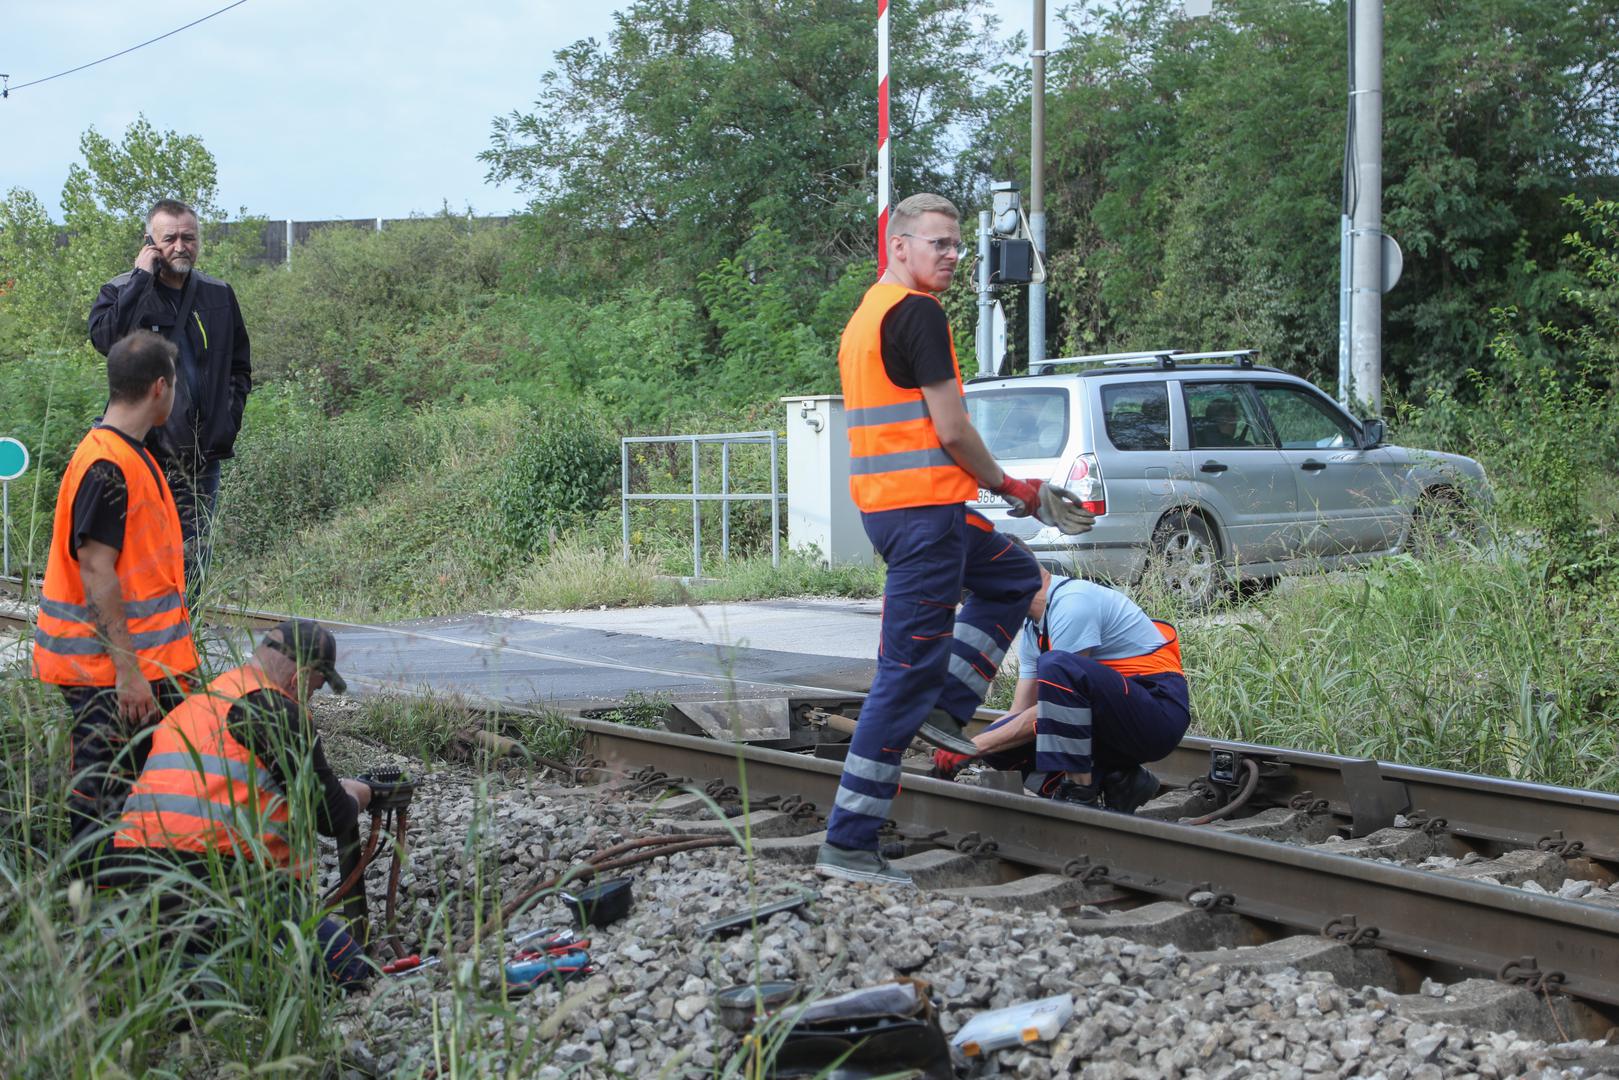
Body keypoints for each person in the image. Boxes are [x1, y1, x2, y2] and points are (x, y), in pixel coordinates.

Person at [815, 193, 1095, 887]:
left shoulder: (866, 316)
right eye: (936, 243)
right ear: (898, 246)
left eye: (954, 245)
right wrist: (1015, 488)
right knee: (901, 674)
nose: (949, 255)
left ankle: (943, 709)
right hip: (923, 520)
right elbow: (951, 430)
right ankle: (848, 841)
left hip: (903, 513)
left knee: (1010, 575)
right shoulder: (918, 314)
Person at [110, 619, 376, 989]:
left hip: (131, 880)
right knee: (350, 971)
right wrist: (359, 792)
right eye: (314, 690)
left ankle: (177, 974)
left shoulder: (201, 702)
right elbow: (332, 817)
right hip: (211, 881)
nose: (308, 700)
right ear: (300, 676)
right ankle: (220, 981)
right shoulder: (276, 710)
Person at [34, 330, 200, 862]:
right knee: (101, 792)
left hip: (138, 670)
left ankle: (130, 893)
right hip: (109, 675)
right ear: (159, 388)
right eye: (174, 386)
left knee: (135, 788)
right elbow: (96, 568)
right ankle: (92, 907)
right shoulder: (108, 466)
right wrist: (128, 671)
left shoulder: (128, 454)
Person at [932, 549, 1190, 812]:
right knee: (999, 746)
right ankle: (1119, 779)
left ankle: (1080, 790)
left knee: (1056, 667)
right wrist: (967, 745)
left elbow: (1050, 708)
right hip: (1115, 718)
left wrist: (974, 746)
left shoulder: (1072, 604)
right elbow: (1019, 713)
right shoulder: (1035, 626)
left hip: (1156, 714)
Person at [89, 199, 252, 586]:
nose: (181, 246)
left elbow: (240, 368)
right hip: (139, 454)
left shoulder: (219, 295)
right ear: (150, 242)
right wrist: (140, 279)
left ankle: (186, 638)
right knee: (137, 557)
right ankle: (139, 642)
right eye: (170, 238)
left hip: (200, 458)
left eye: (189, 237)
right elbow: (107, 340)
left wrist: (225, 426)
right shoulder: (120, 290)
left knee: (192, 562)